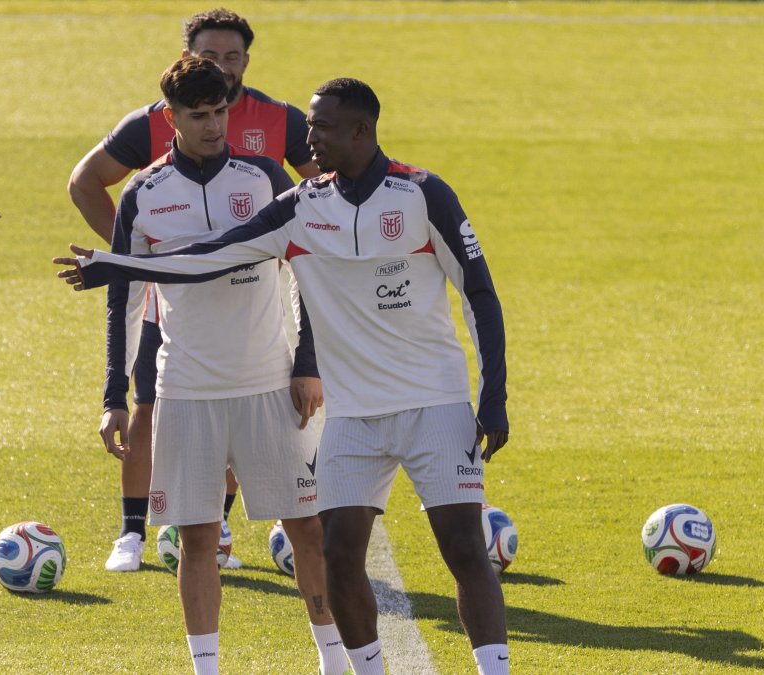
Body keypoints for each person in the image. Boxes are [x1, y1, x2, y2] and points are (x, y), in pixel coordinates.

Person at [55, 78, 511, 675]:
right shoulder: (301, 206)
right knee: (339, 554)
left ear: (360, 131)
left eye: (319, 126)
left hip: (435, 402)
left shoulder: (424, 194)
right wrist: (116, 264)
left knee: (462, 548)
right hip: (350, 418)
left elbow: (479, 292)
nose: (307, 136)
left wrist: (493, 396)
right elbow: (211, 253)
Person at [93, 55, 348, 675]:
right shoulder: (144, 194)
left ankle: (334, 661)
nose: (213, 126)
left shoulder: (263, 175)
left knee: (309, 530)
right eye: (198, 115)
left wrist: (306, 363)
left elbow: (306, 271)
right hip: (186, 389)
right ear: (169, 117)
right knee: (198, 538)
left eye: (220, 112)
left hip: (270, 383)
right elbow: (124, 298)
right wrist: (113, 396)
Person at [68, 6, 320, 575]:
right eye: (211, 56)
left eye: (232, 58)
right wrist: (131, 257)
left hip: (258, 317)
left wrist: (119, 263)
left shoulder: (273, 137)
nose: (222, 68)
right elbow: (85, 184)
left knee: (293, 501)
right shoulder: (147, 164)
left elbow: (318, 205)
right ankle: (135, 528)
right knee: (147, 404)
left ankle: (215, 520)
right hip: (174, 315)